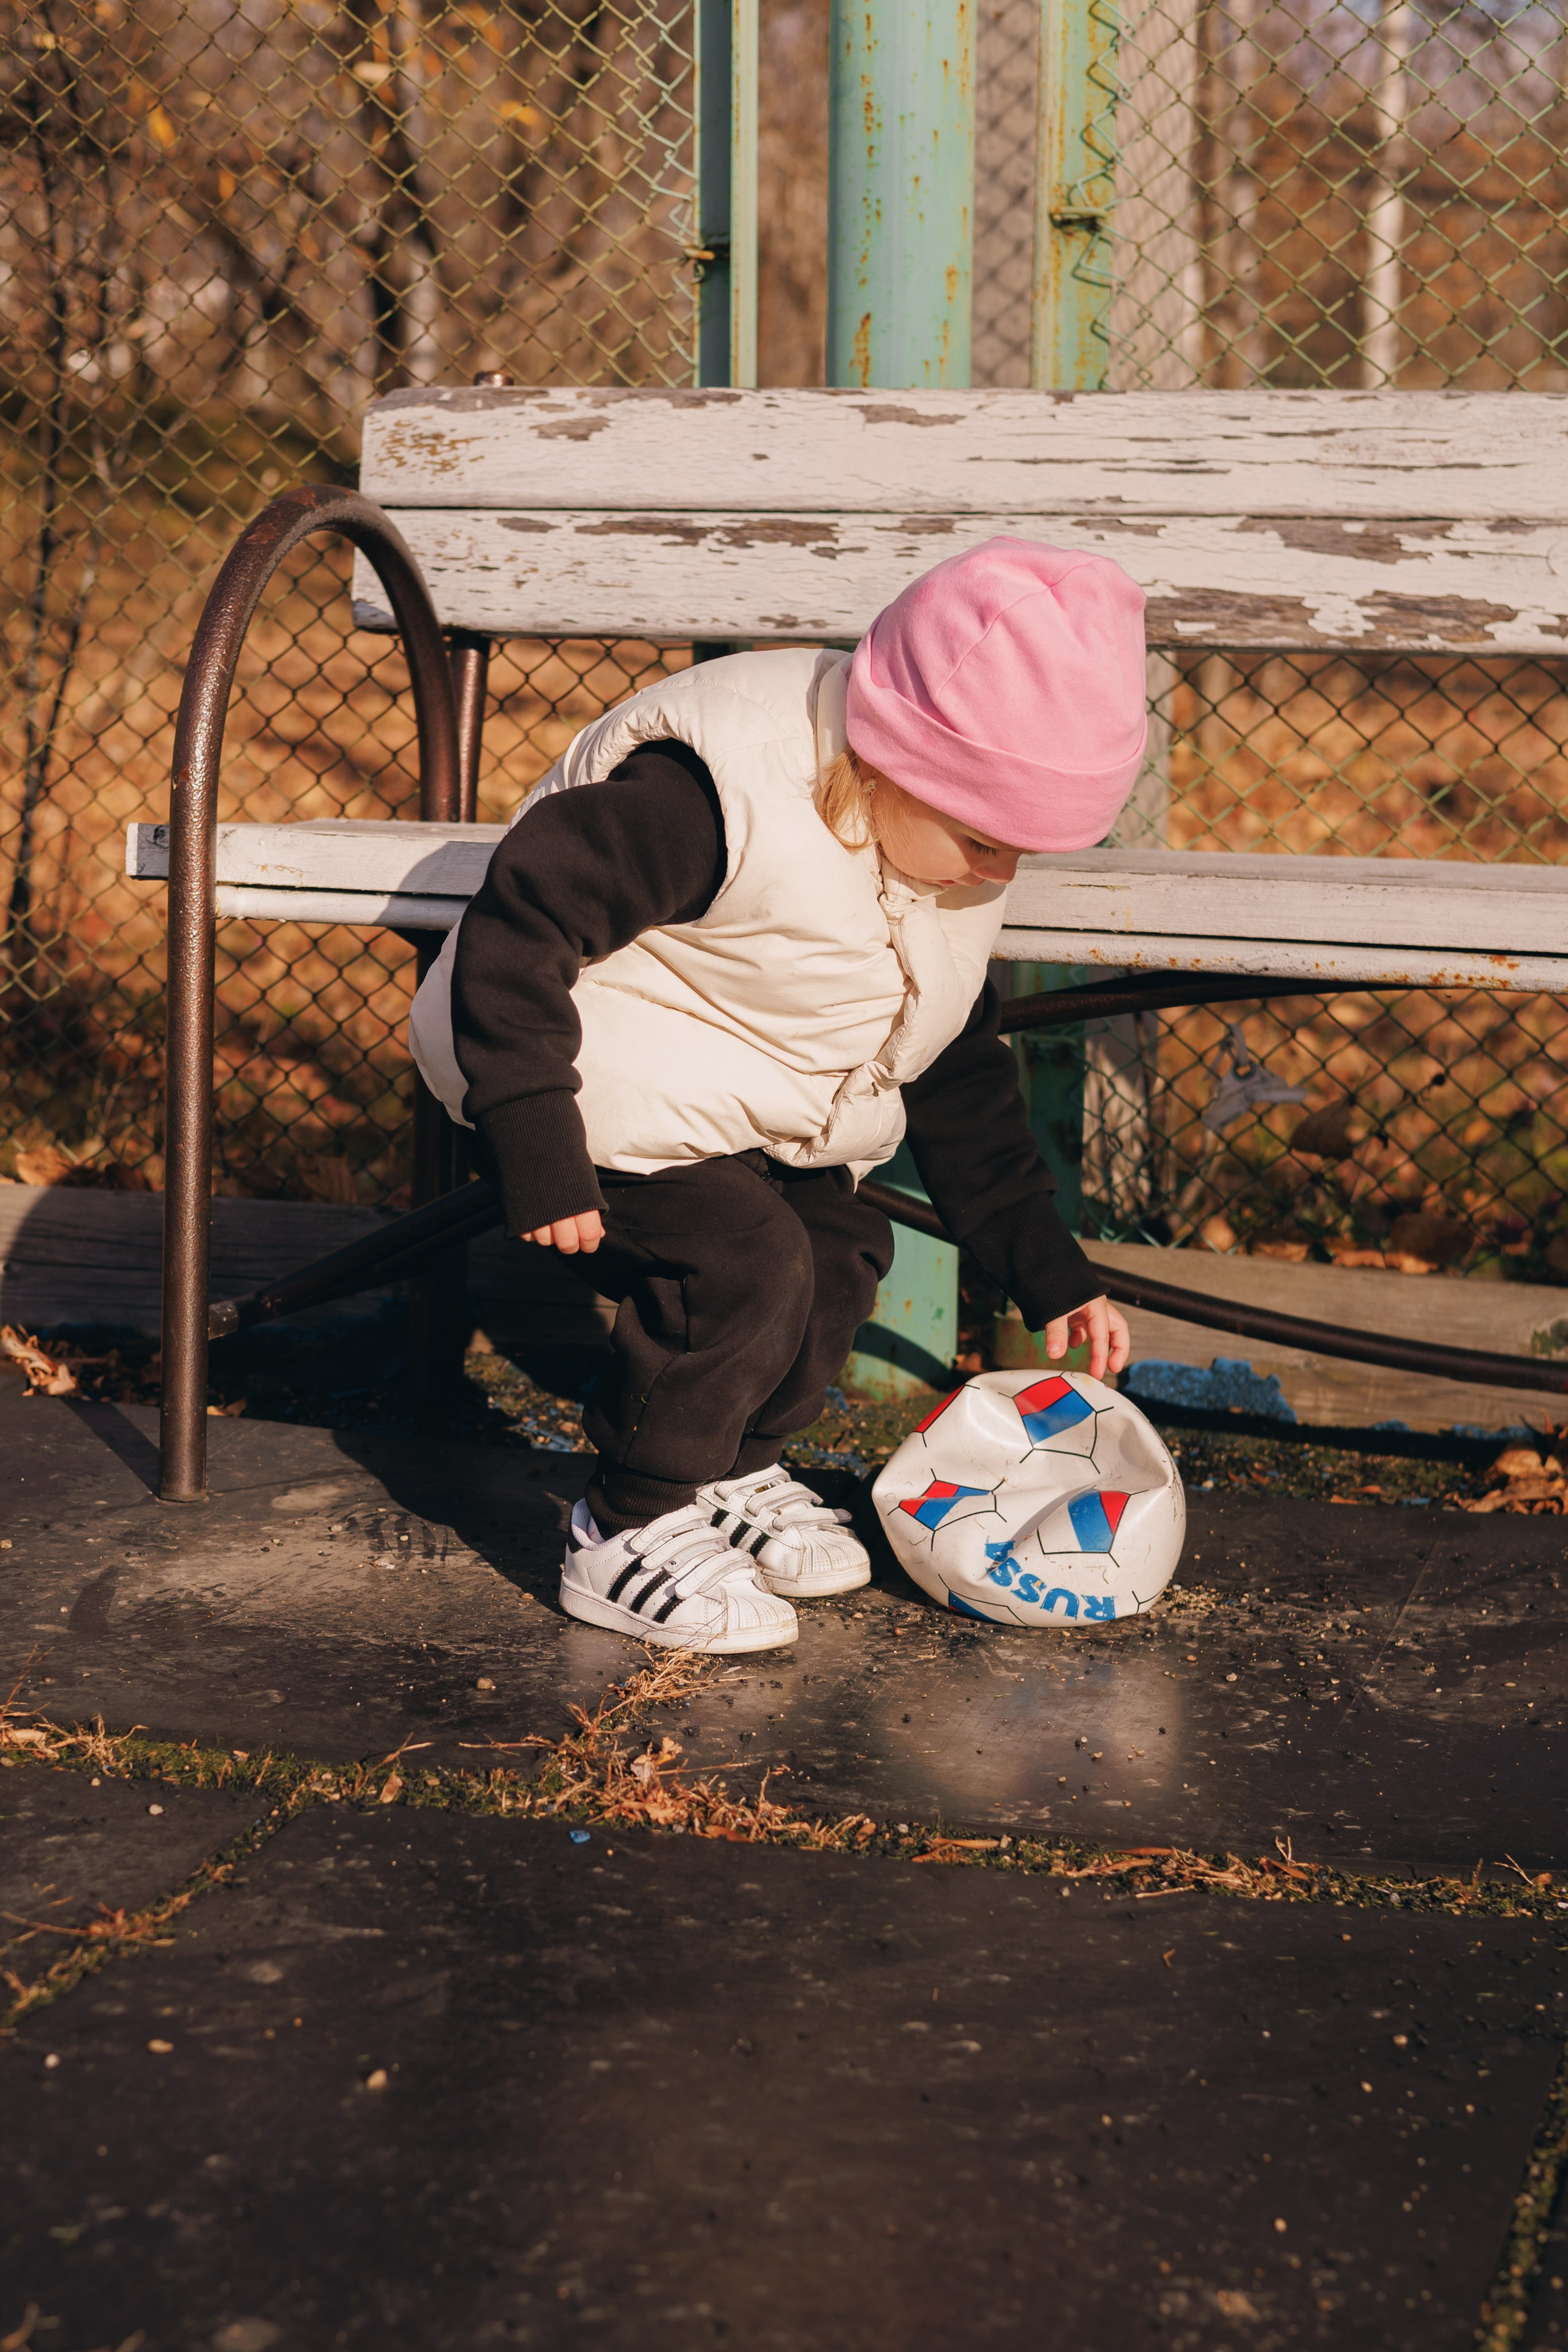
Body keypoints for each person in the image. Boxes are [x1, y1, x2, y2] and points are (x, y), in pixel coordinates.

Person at [410, 537, 1143, 1655]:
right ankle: (623, 1525)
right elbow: (525, 916)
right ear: (895, 760)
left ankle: (729, 1472)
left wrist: (1050, 1271)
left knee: (841, 1253)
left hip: (736, 1093)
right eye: (985, 838)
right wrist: (533, 1126)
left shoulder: (935, 859)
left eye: (1026, 850)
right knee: (742, 1264)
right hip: (574, 1070)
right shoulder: (716, 791)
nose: (999, 874)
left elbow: (954, 1065)